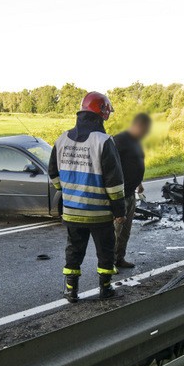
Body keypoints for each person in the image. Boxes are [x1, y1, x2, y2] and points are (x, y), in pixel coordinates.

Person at [48, 92, 126, 302]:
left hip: (72, 212)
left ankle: (70, 290)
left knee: (74, 250)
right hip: (99, 213)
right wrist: (120, 211)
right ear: (102, 113)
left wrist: (66, 191)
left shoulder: (61, 139)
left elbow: (53, 173)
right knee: (105, 251)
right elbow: (114, 182)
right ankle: (105, 288)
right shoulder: (103, 141)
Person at [112, 113, 152, 269]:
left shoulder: (137, 142)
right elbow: (110, 166)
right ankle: (108, 263)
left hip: (131, 194)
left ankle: (119, 258)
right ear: (138, 125)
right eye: (146, 129)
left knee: (125, 232)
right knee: (115, 231)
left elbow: (135, 161)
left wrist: (139, 183)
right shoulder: (120, 140)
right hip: (119, 195)